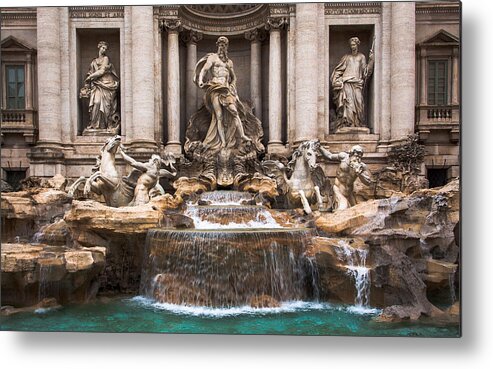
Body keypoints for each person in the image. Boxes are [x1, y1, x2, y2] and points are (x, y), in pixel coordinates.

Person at [194, 36, 251, 150]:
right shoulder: (213, 58)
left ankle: (242, 135)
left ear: (226, 47)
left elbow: (234, 78)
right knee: (218, 116)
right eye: (220, 45)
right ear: (217, 46)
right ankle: (223, 143)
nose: (221, 47)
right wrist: (200, 80)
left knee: (234, 112)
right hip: (215, 87)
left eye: (224, 45)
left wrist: (232, 86)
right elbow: (204, 70)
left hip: (226, 89)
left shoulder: (229, 62)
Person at [331, 37, 373, 130]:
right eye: (351, 45)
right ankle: (349, 124)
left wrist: (371, 61)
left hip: (357, 83)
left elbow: (365, 72)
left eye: (354, 44)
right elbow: (338, 70)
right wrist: (337, 80)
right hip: (347, 83)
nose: (353, 46)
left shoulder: (361, 57)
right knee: (348, 104)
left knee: (359, 102)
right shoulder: (346, 57)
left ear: (357, 45)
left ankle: (358, 123)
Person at [317, 144, 373, 210]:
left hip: (349, 192)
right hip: (338, 189)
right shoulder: (343, 157)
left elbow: (368, 182)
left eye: (359, 155)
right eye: (355, 154)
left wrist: (360, 173)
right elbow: (329, 156)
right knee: (343, 208)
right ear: (351, 153)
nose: (357, 156)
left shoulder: (362, 166)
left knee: (354, 210)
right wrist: (320, 147)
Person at [80, 41, 119, 130]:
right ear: (99, 47)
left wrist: (90, 77)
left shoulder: (106, 59)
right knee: (96, 102)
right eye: (103, 48)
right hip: (97, 85)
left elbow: (101, 72)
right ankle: (94, 124)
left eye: (105, 48)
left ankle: (103, 126)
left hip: (106, 84)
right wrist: (88, 79)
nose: (104, 50)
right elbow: (90, 72)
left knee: (106, 107)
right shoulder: (94, 61)